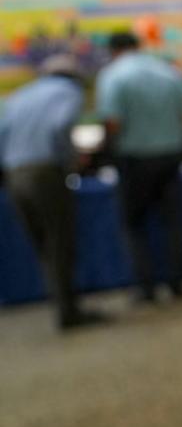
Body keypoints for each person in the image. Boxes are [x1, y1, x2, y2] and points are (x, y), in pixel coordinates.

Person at [0, 55, 109, 330]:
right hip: (45, 174)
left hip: (15, 175)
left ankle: (62, 306)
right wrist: (70, 160)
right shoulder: (68, 93)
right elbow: (60, 126)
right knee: (60, 243)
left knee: (43, 246)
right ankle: (68, 312)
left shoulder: (20, 96)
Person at [97, 31, 182, 303]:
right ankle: (178, 283)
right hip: (171, 154)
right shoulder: (168, 72)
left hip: (135, 159)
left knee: (134, 225)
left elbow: (113, 121)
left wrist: (104, 151)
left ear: (113, 50)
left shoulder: (113, 75)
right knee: (173, 222)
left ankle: (145, 287)